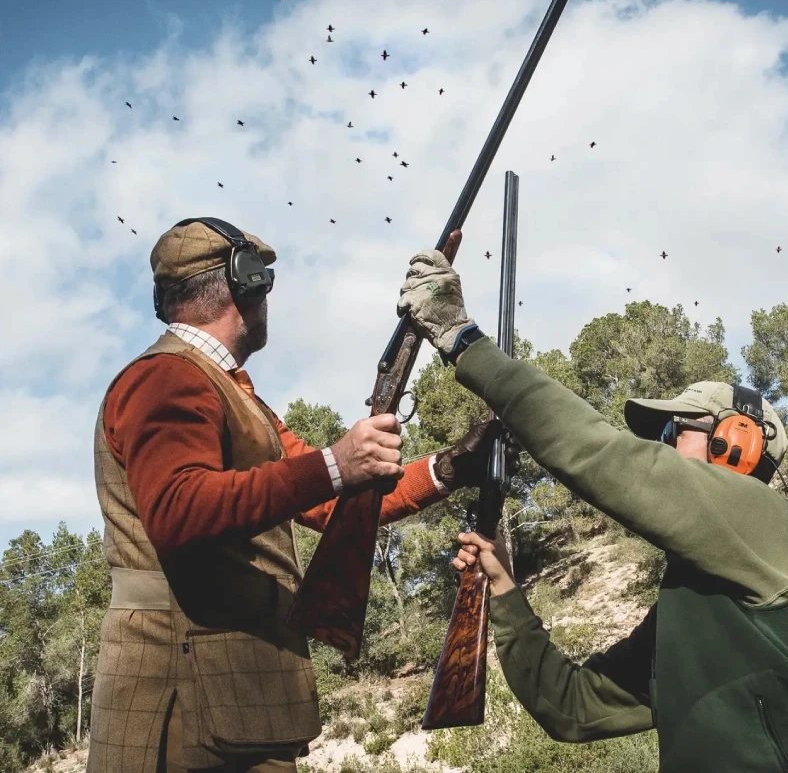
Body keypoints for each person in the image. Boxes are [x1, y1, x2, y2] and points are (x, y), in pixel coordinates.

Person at [396, 239, 788, 772]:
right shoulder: (690, 609)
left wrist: (464, 340)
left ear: (737, 442)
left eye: (673, 429)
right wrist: (503, 587)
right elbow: (572, 706)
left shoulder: (767, 520)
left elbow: (604, 457)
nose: (660, 446)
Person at [88, 219, 508, 773]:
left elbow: (341, 504)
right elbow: (179, 510)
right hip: (187, 707)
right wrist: (336, 463)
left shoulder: (237, 398)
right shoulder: (167, 377)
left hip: (228, 705)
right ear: (245, 283)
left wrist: (452, 466)